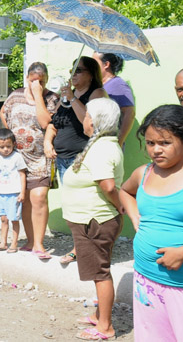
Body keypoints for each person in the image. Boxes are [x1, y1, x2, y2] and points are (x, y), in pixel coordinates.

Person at [119, 105, 183, 341]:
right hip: (146, 281)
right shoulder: (144, 173)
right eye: (150, 143)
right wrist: (135, 216)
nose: (156, 150)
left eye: (165, 143)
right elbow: (125, 192)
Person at [62, 98, 123, 341]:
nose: (84, 119)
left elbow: (108, 186)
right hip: (92, 220)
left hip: (95, 220)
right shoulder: (102, 145)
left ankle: (105, 327)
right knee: (99, 271)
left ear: (95, 121)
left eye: (87, 115)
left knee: (100, 273)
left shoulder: (102, 148)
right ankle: (100, 316)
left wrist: (120, 206)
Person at [44, 56, 108, 264]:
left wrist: (72, 98)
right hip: (62, 158)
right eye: (72, 69)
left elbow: (89, 124)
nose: (73, 74)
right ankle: (80, 245)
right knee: (71, 205)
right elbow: (55, 123)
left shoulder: (97, 94)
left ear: (91, 74)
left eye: (78, 70)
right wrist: (48, 142)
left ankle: (86, 248)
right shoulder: (66, 96)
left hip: (81, 158)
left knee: (84, 205)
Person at [1, 62, 59, 259]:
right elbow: (3, 111)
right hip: (18, 157)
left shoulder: (51, 98)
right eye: (33, 80)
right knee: (24, 199)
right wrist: (9, 136)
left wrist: (37, 95)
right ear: (27, 78)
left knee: (39, 196)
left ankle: (39, 244)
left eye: (41, 81)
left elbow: (46, 122)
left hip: (40, 157)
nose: (37, 83)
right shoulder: (16, 95)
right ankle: (30, 240)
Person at [0, 128, 27, 254]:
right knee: (3, 219)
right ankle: (3, 242)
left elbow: (22, 175)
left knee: (14, 219)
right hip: (1, 193)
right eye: (2, 147)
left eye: (8, 146)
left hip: (14, 193)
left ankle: (14, 243)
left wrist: (22, 192)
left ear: (13, 144)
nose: (5, 149)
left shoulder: (17, 157)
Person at [93, 53, 135, 147]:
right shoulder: (99, 85)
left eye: (94, 62)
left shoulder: (118, 85)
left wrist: (120, 140)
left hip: (108, 143)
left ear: (106, 64)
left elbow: (129, 113)